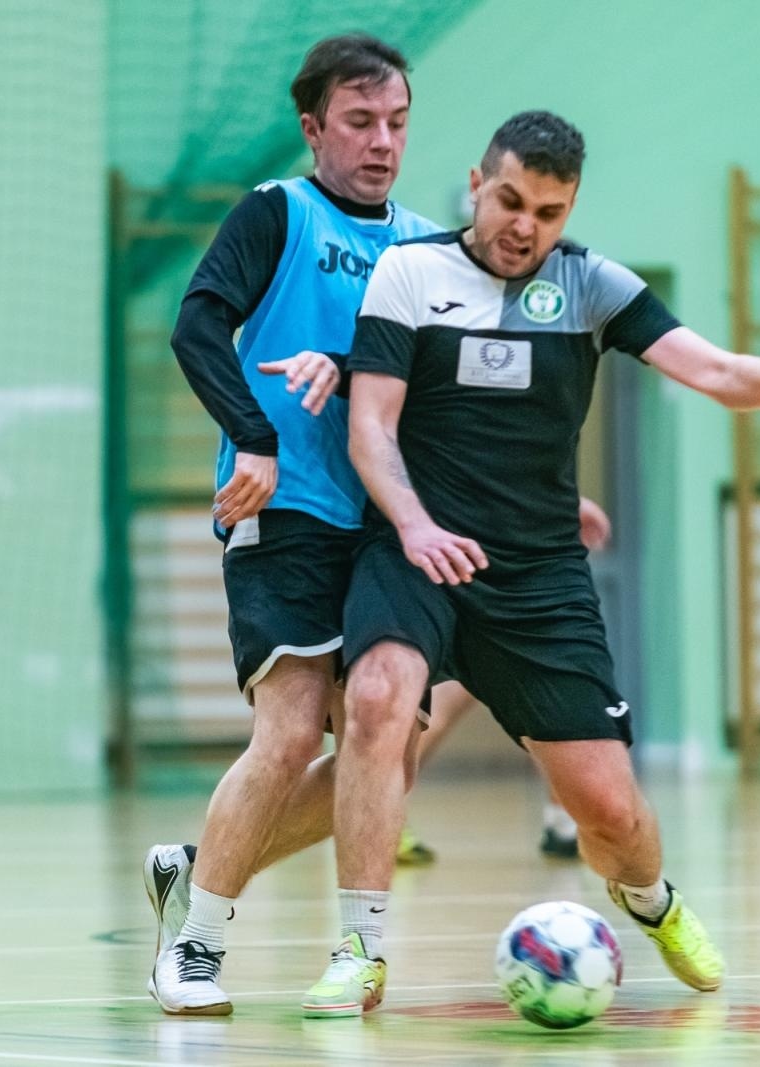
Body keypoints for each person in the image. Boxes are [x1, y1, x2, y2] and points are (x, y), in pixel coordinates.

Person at [302, 110, 760, 1017]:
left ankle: (653, 901)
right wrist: (414, 525)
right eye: (510, 200)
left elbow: (715, 371)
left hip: (538, 579)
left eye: (548, 212)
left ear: (569, 211)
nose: (524, 226)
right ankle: (360, 949)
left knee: (612, 815)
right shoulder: (410, 273)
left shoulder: (591, 284)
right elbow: (371, 427)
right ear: (476, 185)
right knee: (374, 700)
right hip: (417, 550)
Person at [143, 33, 435, 1016]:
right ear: (313, 128)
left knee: (388, 746)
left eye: (396, 122)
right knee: (287, 731)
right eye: (360, 122)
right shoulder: (279, 212)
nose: (382, 141)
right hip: (290, 506)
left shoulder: (425, 247)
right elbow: (197, 324)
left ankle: (218, 879)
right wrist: (254, 436)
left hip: (385, 521)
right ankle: (195, 943)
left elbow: (438, 388)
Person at [395, 496, 610, 865]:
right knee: (547, 688)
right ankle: (382, 810)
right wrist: (567, 501)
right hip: (489, 559)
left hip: (492, 553)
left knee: (543, 692)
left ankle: (563, 823)